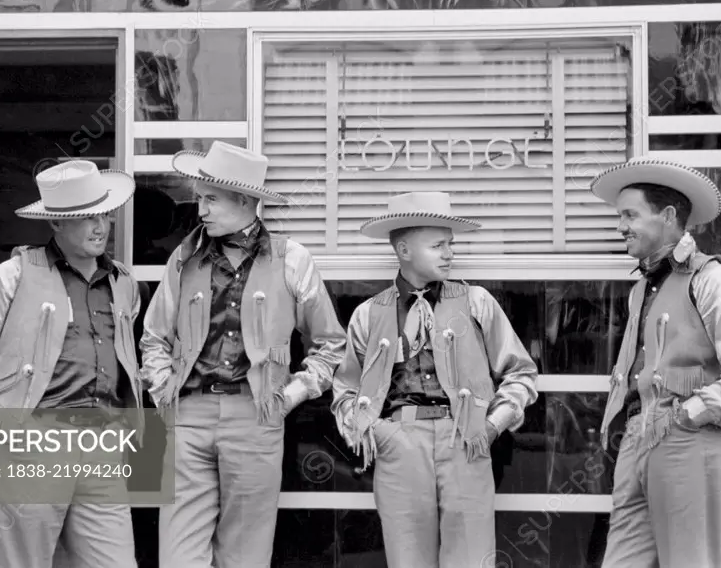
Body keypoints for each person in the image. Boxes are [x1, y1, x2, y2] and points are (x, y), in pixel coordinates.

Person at [139, 141, 347, 568]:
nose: (201, 210)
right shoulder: (184, 258)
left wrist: (290, 396)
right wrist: (164, 392)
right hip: (188, 414)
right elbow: (153, 338)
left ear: (245, 200)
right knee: (178, 557)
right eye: (200, 199)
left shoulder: (292, 260)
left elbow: (330, 345)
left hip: (256, 416)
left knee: (246, 556)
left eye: (210, 199)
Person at [0, 159, 143, 568]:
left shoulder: (124, 283)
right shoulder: (11, 276)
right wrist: (1, 420)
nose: (100, 225)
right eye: (86, 217)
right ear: (56, 224)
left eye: (104, 212)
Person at [331, 191, 538, 568]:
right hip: (398, 442)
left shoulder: (476, 302)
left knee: (473, 557)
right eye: (438, 245)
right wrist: (369, 431)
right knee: (407, 557)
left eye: (451, 244)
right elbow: (345, 387)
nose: (449, 253)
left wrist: (490, 427)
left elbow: (520, 373)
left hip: (466, 439)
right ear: (405, 250)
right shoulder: (368, 313)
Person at [591, 158, 721, 568]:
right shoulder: (641, 289)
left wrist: (685, 416)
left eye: (629, 215)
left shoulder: (715, 280)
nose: (620, 226)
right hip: (639, 440)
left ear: (668, 216)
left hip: (691, 439)